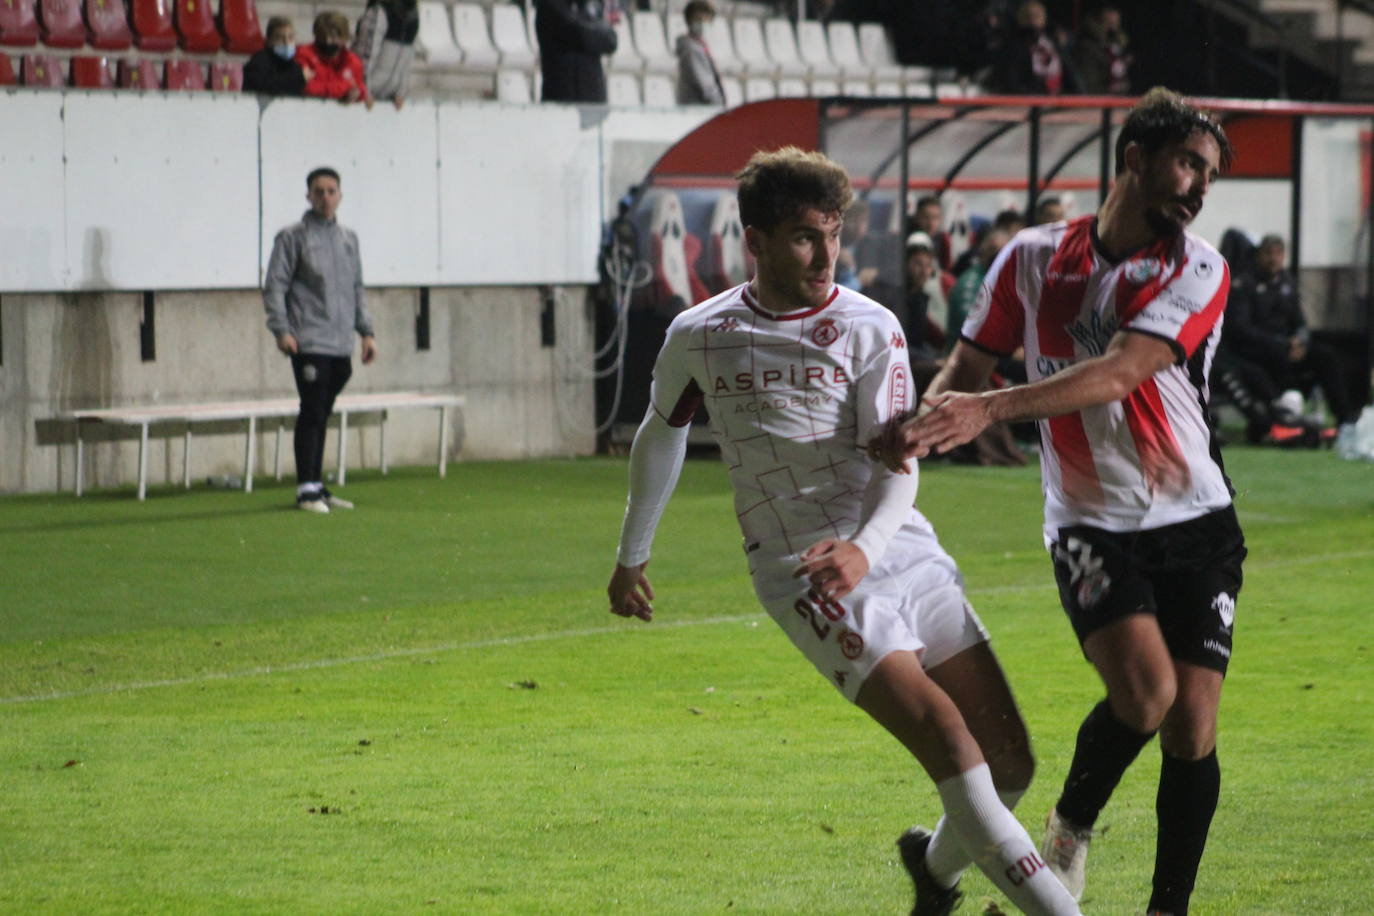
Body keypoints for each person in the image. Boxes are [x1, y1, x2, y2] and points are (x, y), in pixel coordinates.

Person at [606, 147, 1083, 916]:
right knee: (952, 745)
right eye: (803, 236)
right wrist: (633, 555)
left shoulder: (870, 326)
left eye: (834, 233)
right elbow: (660, 432)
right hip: (803, 568)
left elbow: (900, 462)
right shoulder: (701, 333)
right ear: (753, 239)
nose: (827, 254)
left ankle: (933, 875)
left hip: (894, 544)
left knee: (1011, 764)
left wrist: (868, 545)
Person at [870, 88, 1244, 916]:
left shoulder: (1197, 265)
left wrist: (989, 410)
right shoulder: (1031, 258)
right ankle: (1070, 829)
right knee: (1145, 697)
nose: (1198, 186)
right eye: (1188, 163)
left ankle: (1166, 909)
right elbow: (966, 371)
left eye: (1208, 174)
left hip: (1197, 519)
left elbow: (1119, 370)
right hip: (1088, 522)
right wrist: (921, 428)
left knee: (1191, 729)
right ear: (1134, 158)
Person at [264, 167, 378, 514]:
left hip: (341, 341)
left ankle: (316, 484)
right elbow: (275, 285)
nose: (325, 197)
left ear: (340, 195)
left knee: (322, 412)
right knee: (312, 410)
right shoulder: (292, 237)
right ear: (308, 196)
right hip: (308, 339)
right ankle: (306, 489)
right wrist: (281, 330)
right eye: (318, 191)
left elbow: (356, 288)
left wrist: (367, 332)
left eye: (331, 191)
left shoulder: (349, 239)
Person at [1214, 233, 1361, 441]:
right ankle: (1277, 420)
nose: (1274, 259)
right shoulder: (1243, 285)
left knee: (1325, 356)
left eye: (1278, 253)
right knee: (1268, 364)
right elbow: (1241, 330)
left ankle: (1345, 419)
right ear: (1259, 256)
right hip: (1258, 352)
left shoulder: (1286, 283)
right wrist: (1281, 344)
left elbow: (1300, 322)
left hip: (1288, 350)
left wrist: (1301, 340)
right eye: (1268, 254)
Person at [534, 0, 618, 103]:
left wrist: (593, 33)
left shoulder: (591, 4)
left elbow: (610, 41)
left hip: (593, 100)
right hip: (561, 100)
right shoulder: (550, 5)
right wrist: (596, 32)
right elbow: (576, 32)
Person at [989, 1, 1079, 96]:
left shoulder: (1052, 42)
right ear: (1021, 18)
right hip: (1029, 99)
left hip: (1057, 97)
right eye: (1028, 16)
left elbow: (1071, 75)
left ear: (1043, 18)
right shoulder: (1015, 46)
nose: (1032, 20)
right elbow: (1011, 81)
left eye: (1036, 15)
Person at [297, 11, 373, 106]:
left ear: (344, 37)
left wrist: (359, 92)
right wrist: (346, 87)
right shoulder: (303, 54)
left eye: (333, 37)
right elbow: (304, 86)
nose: (327, 41)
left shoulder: (353, 62)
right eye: (322, 36)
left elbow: (359, 89)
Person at [352, 0, 418, 109]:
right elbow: (366, 54)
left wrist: (401, 92)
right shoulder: (378, 11)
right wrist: (365, 90)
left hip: (389, 98)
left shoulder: (413, 14)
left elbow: (409, 57)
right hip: (364, 97)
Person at [1072, 4, 1132, 95]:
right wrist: (1116, 91)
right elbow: (1089, 87)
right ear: (1099, 14)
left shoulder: (1116, 43)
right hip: (1099, 103)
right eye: (1111, 11)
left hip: (1123, 101)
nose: (1116, 16)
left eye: (1116, 12)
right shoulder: (1087, 47)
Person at [675, 0, 724, 106]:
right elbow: (705, 85)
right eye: (698, 20)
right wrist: (719, 104)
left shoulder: (701, 46)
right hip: (696, 108)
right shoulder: (690, 49)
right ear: (689, 21)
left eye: (707, 20)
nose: (703, 24)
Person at [243, 16, 307, 97]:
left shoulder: (294, 65)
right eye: (280, 38)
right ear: (269, 41)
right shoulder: (259, 62)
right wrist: (297, 79)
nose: (286, 43)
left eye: (290, 38)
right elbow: (263, 87)